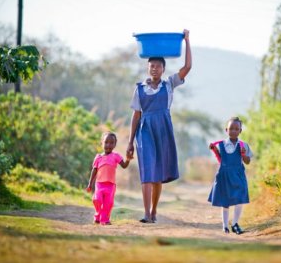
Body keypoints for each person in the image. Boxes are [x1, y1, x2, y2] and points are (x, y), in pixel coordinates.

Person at [127, 29, 192, 223]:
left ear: (163, 69)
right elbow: (136, 115)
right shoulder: (139, 89)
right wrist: (130, 142)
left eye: (157, 66)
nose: (154, 69)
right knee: (147, 172)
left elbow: (188, 66)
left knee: (158, 175)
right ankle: (146, 213)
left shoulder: (169, 85)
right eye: (151, 66)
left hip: (163, 131)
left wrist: (187, 41)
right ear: (148, 68)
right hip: (144, 131)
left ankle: (154, 211)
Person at [208, 117, 253, 234]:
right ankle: (225, 225)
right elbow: (220, 159)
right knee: (225, 201)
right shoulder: (221, 145)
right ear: (226, 130)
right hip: (224, 175)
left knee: (239, 199)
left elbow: (247, 161)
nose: (233, 131)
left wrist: (243, 154)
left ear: (240, 131)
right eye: (231, 128)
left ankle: (235, 224)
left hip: (238, 175)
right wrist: (214, 150)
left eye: (236, 129)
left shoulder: (243, 145)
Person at [86, 132, 131, 225]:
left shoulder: (116, 156)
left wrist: (128, 159)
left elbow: (124, 166)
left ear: (115, 144)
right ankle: (98, 214)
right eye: (106, 142)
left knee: (108, 204)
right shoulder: (98, 157)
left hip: (110, 185)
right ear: (102, 143)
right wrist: (90, 184)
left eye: (111, 143)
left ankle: (104, 219)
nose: (108, 145)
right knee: (97, 200)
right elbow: (94, 171)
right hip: (99, 184)